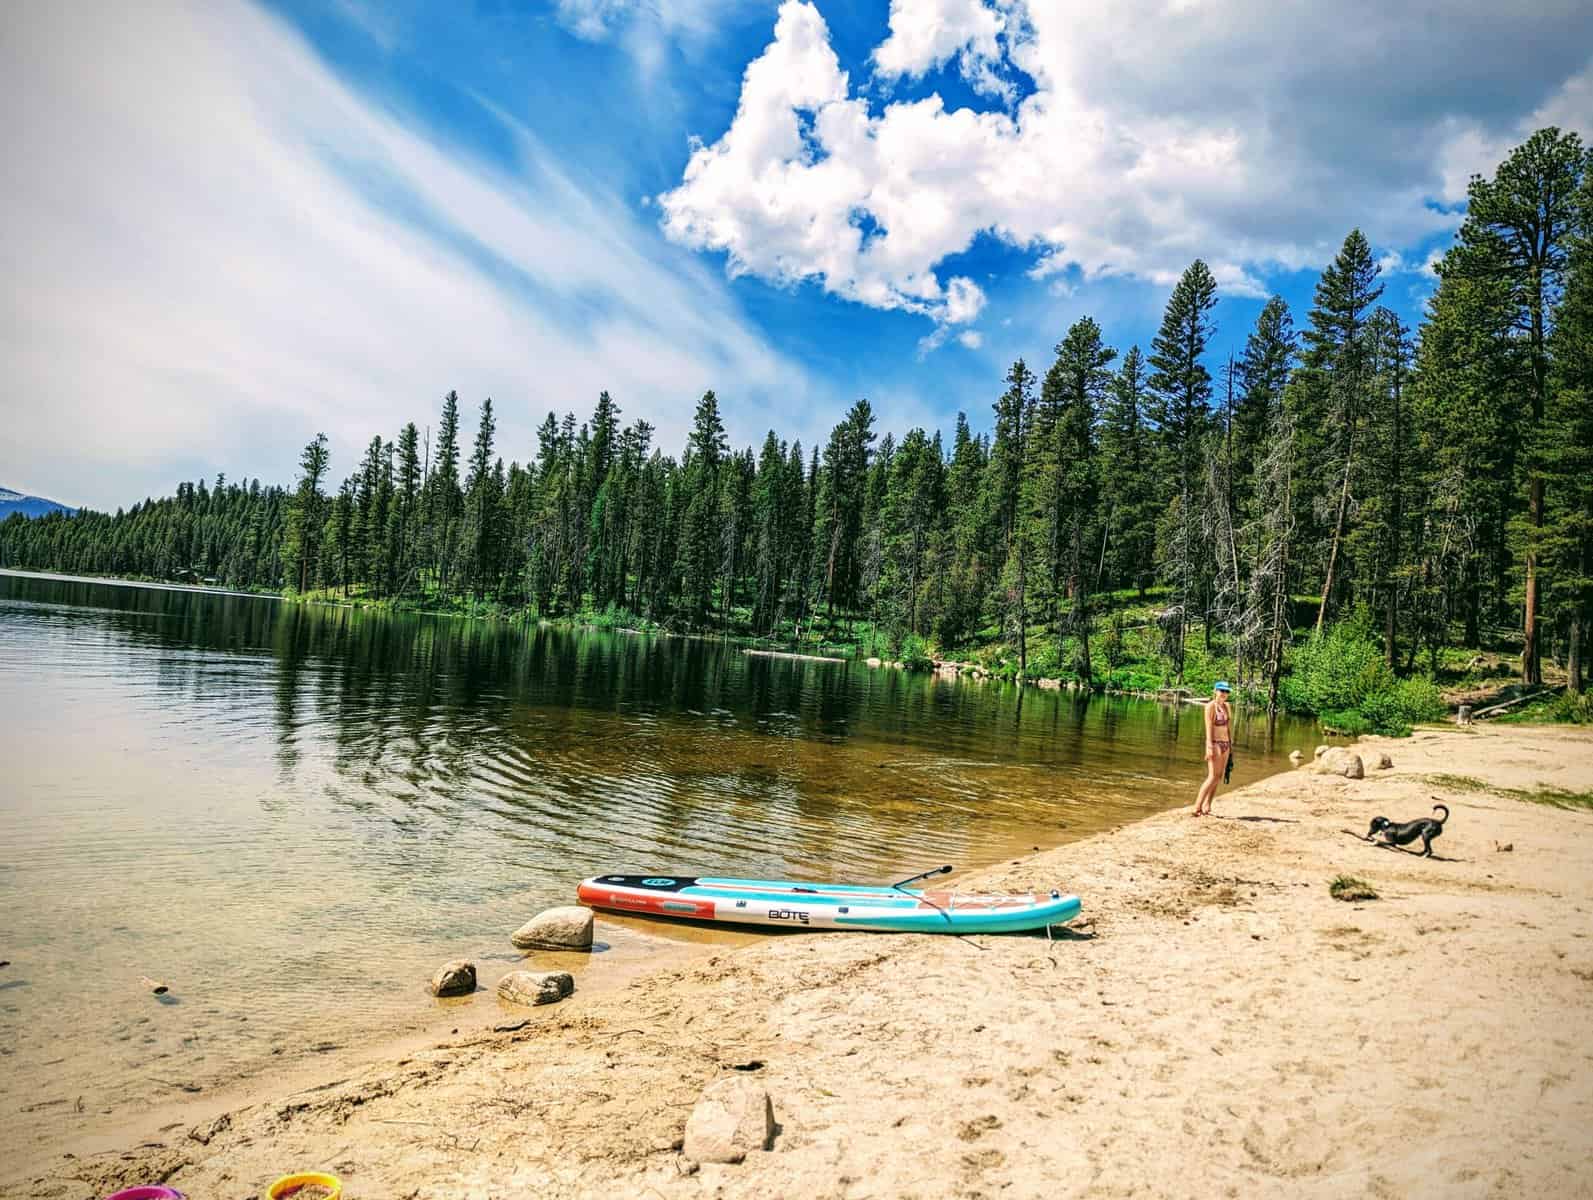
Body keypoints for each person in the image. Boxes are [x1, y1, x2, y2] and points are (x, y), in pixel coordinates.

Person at [1193, 681, 1232, 817]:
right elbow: (1208, 727)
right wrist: (1208, 746)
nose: (1224, 694)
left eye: (1226, 691)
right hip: (1215, 743)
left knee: (1219, 776)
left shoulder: (1227, 706)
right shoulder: (1210, 707)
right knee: (1212, 776)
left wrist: (1230, 746)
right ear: (1215, 691)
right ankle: (1197, 806)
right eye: (1221, 691)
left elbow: (1228, 727)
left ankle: (1207, 805)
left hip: (1226, 744)